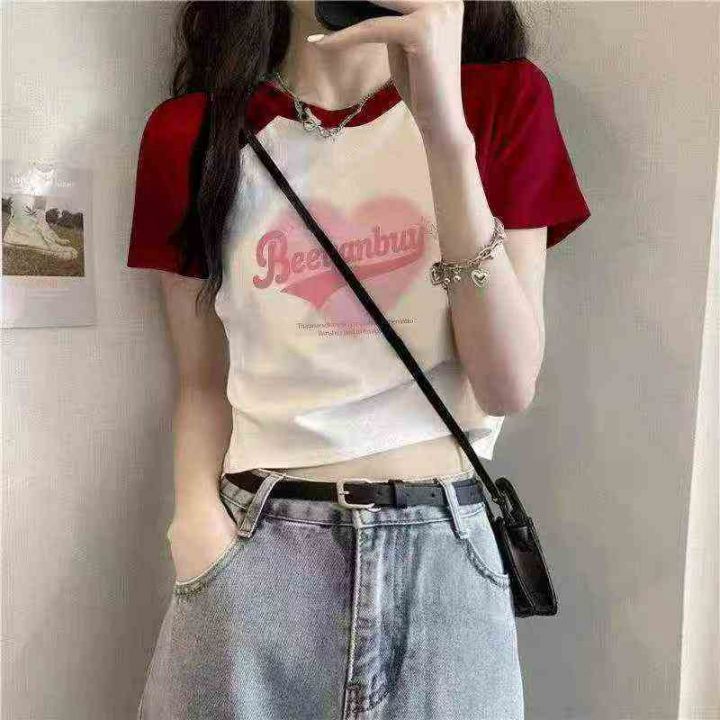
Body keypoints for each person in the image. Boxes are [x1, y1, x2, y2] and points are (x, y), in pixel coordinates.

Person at [127, 1, 591, 718]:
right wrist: (195, 525)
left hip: (445, 562)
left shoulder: (499, 100)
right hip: (257, 553)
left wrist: (443, 131)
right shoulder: (193, 133)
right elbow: (199, 380)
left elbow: (506, 384)